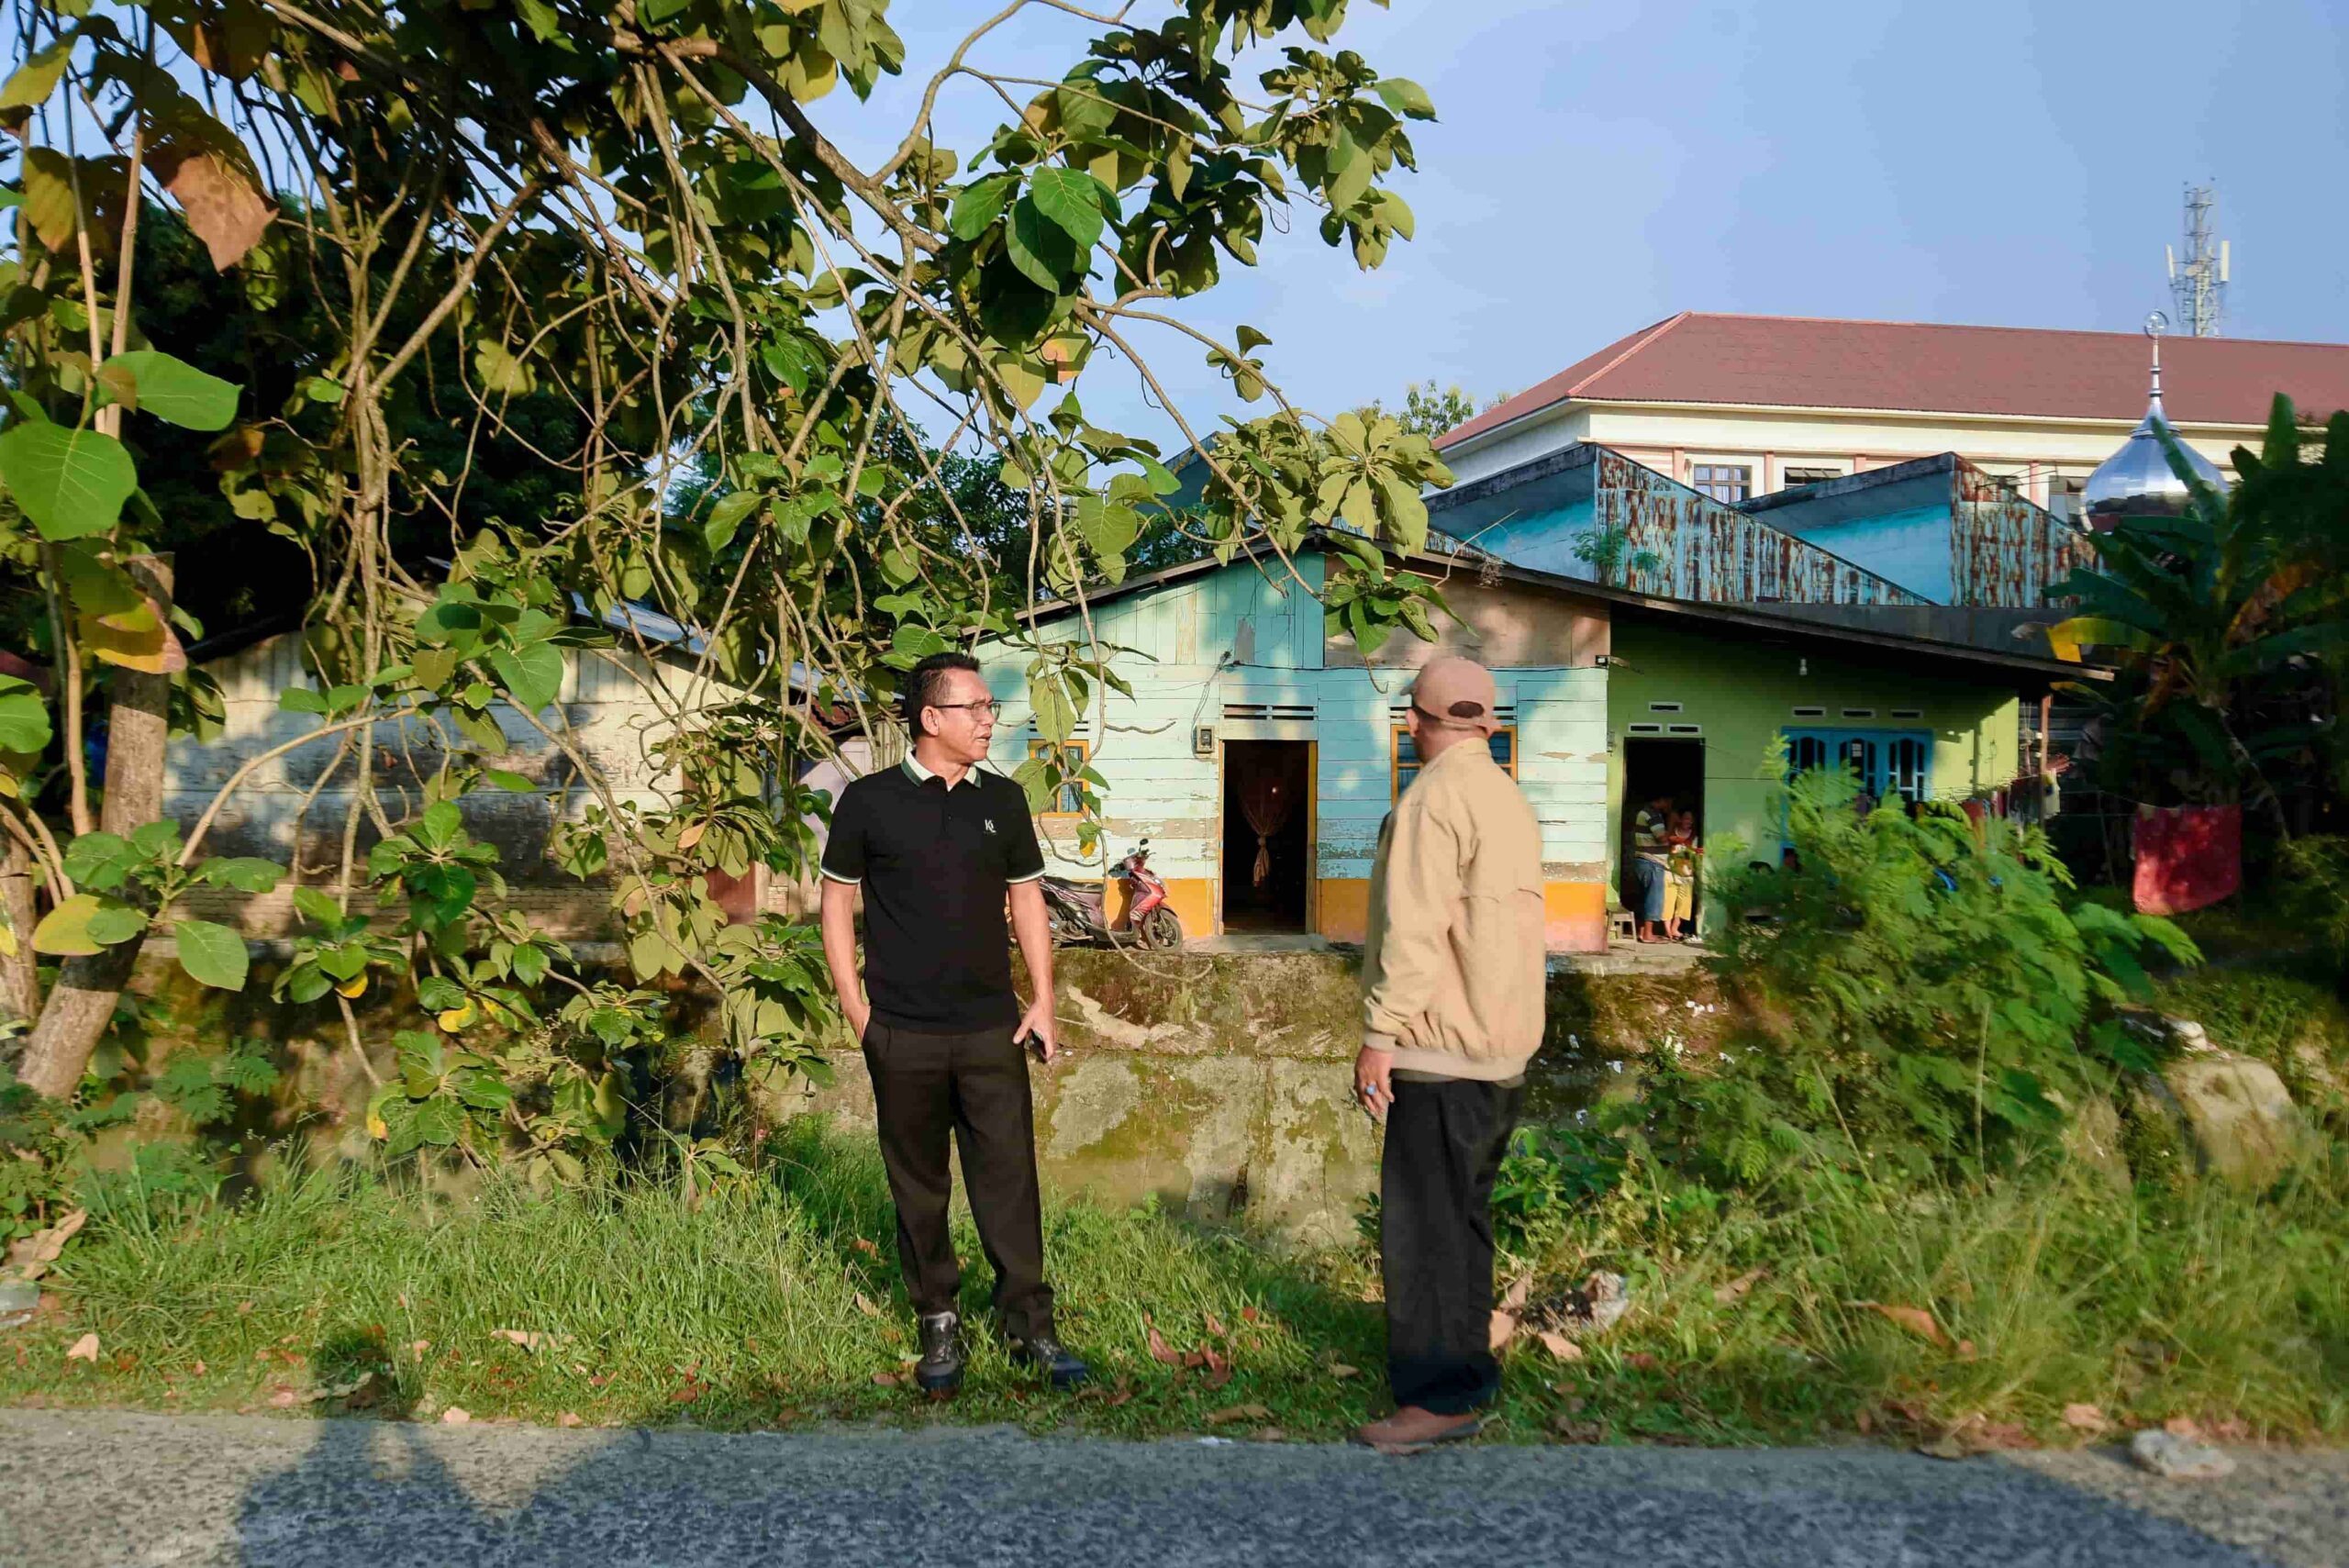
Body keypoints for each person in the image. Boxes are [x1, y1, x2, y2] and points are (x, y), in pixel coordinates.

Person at [818, 651, 1089, 1396]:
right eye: (975, 707)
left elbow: (1026, 898)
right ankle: (937, 1318)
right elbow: (836, 904)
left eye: (989, 707)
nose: (988, 719)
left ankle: (1029, 1322)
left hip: (991, 1028)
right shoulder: (869, 802)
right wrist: (857, 1010)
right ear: (931, 717)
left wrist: (1043, 997)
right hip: (901, 1030)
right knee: (919, 1186)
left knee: (1009, 1179)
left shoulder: (1002, 799)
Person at [1351, 656, 1547, 1452]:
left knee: (1424, 1229)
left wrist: (1379, 1036)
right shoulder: (1507, 798)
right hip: (1501, 1052)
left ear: (1414, 722)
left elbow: (1414, 931)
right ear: (1489, 724)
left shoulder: (1430, 801)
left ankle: (1436, 1400)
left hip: (1439, 1049)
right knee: (1464, 1222)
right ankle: (1469, 1374)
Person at [1631, 792, 1674, 942]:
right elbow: (1661, 837)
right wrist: (1672, 822)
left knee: (1645, 898)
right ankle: (1648, 935)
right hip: (1652, 862)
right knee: (1654, 898)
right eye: (1669, 802)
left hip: (1644, 861)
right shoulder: (1652, 814)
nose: (1670, 806)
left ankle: (1642, 933)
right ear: (1662, 799)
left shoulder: (1645, 812)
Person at [1662, 808, 1699, 941]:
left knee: (1683, 904)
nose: (1688, 821)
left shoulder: (1694, 836)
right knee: (1668, 901)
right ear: (1680, 819)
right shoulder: (1671, 833)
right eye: (1686, 818)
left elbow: (1694, 854)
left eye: (1690, 819)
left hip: (1686, 874)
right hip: (1669, 872)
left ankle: (1674, 928)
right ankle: (1667, 930)